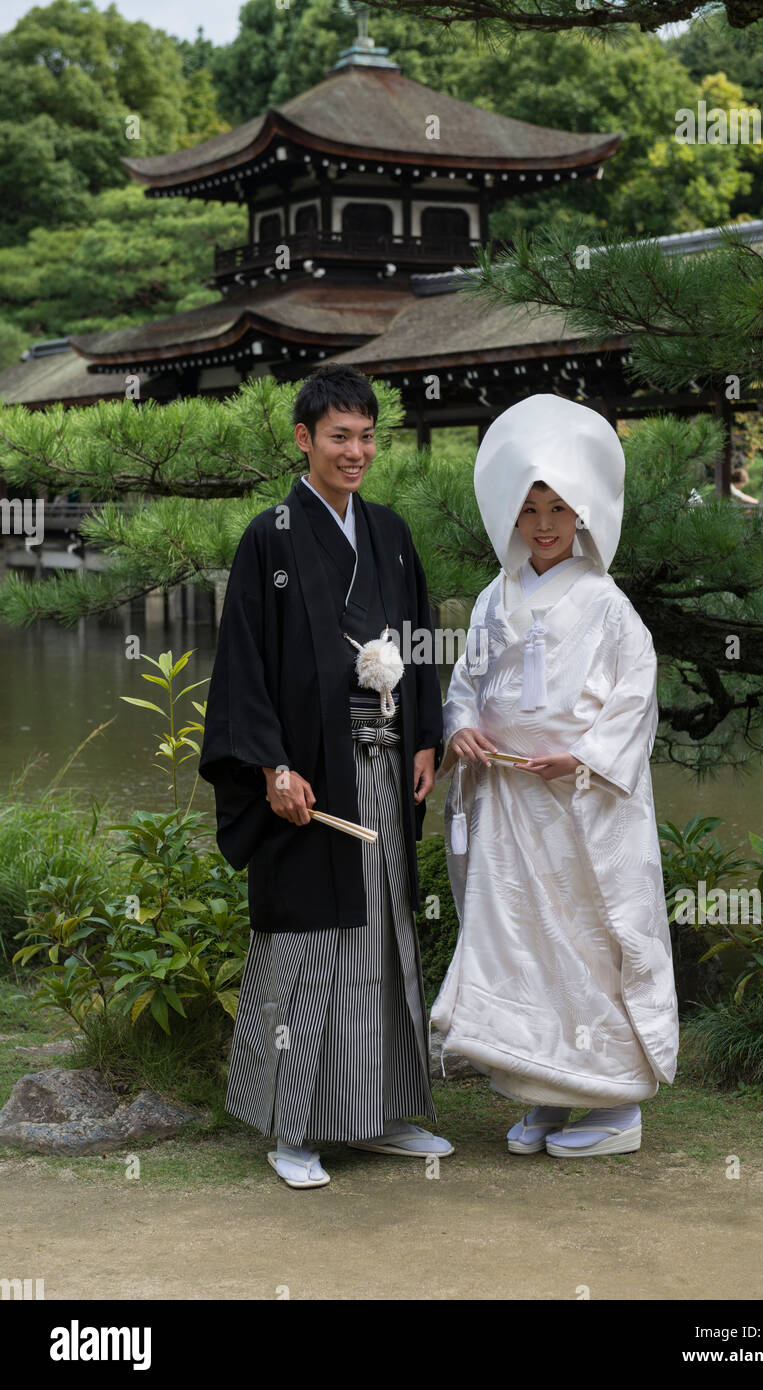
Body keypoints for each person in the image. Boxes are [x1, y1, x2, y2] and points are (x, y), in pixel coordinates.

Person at [199, 364, 452, 1189]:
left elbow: (413, 641)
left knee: (382, 934)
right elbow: (241, 664)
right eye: (339, 436)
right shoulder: (268, 535)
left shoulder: (390, 531)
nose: (356, 451)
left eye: (367, 436)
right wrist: (270, 765)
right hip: (308, 780)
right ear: (303, 439)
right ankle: (292, 1127)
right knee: (308, 943)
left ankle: (376, 1114)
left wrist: (423, 738)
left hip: (379, 767)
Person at [431, 394, 679, 1158]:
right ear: (511, 514)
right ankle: (539, 1090)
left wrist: (586, 756)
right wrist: (461, 726)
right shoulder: (489, 599)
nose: (543, 523)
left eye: (559, 507)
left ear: (582, 516)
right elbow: (466, 684)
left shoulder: (608, 605)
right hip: (508, 799)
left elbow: (636, 694)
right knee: (517, 945)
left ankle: (611, 1103)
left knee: (589, 941)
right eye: (530, 506)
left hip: (579, 803)